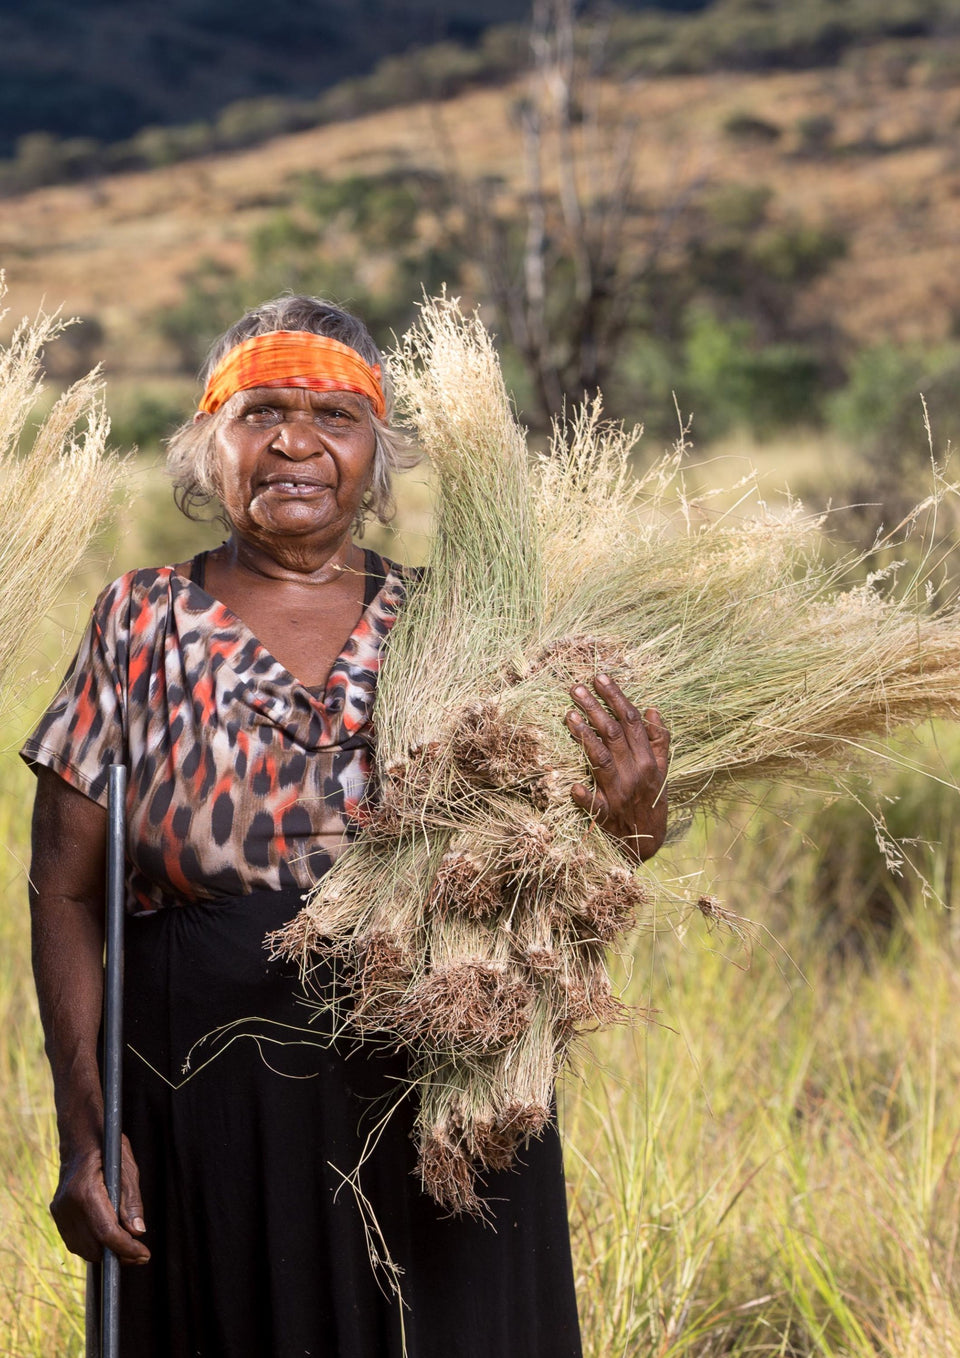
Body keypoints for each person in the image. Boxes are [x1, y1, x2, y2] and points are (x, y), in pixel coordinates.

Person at [24, 294, 670, 1358]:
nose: (295, 441)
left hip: (447, 1104)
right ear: (207, 443)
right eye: (259, 410)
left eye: (335, 414)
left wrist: (631, 818)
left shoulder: (462, 625)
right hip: (210, 1114)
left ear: (378, 451)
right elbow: (66, 887)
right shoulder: (138, 623)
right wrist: (87, 1129)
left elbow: (566, 863)